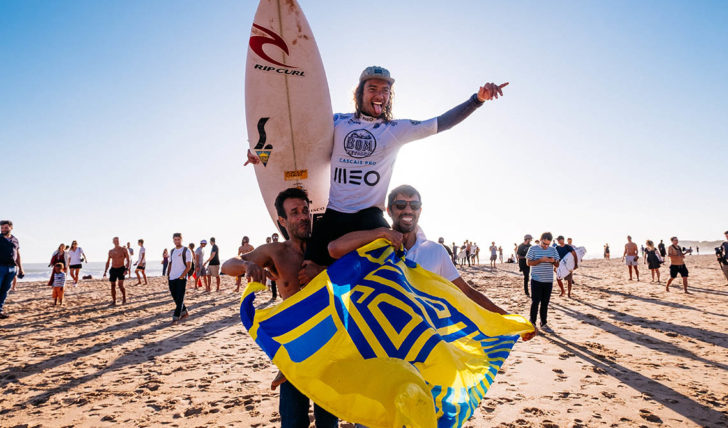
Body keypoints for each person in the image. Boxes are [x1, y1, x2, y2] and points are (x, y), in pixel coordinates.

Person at [248, 67, 508, 278]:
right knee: (305, 275)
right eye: (373, 88)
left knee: (383, 275)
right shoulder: (335, 122)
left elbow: (441, 123)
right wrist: (262, 153)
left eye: (385, 90)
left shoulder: (394, 129)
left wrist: (478, 100)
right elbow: (297, 143)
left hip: (370, 216)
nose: (380, 94)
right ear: (360, 93)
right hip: (334, 213)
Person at [328, 185, 531, 325]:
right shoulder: (375, 245)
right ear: (389, 210)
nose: (408, 210)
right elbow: (334, 249)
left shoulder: (435, 251)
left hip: (423, 342)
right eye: (401, 205)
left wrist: (507, 317)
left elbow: (466, 292)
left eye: (414, 206)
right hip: (379, 341)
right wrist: (380, 233)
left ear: (420, 210)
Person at [221, 188, 338, 428]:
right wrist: (246, 266)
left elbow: (355, 278)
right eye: (294, 212)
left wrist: (323, 272)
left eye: (305, 210)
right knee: (293, 420)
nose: (303, 216)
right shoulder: (275, 252)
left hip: (328, 346)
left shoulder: (328, 248)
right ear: (282, 221)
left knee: (328, 421)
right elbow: (227, 265)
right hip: (294, 349)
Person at [526, 232, 560, 332]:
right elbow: (528, 263)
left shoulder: (553, 250)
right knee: (535, 302)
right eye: (544, 244)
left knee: (545, 303)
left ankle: (543, 323)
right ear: (540, 240)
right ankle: (532, 322)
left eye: (547, 244)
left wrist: (553, 261)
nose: (546, 246)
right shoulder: (533, 249)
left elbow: (557, 264)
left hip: (548, 280)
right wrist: (541, 260)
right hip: (536, 280)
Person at [0, 220, 23, 319]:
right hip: (0, 267)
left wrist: (21, 268)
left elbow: (17, 255)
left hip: (12, 268)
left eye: (5, 228)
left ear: (11, 228)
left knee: (5, 291)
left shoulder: (15, 240)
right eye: (1, 228)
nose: (3, 230)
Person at [168, 233, 192, 323]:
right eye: (175, 239)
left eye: (178, 239)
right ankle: (185, 312)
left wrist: (182, 276)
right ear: (173, 240)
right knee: (176, 298)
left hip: (181, 277)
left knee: (180, 297)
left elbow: (188, 266)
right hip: (172, 277)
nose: (177, 241)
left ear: (181, 239)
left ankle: (176, 317)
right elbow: (170, 263)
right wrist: (168, 274)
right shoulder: (172, 251)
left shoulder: (186, 250)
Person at [103, 237, 130, 305]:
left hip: (121, 268)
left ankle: (124, 298)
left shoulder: (123, 249)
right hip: (113, 269)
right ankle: (114, 301)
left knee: (120, 285)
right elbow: (108, 262)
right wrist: (105, 271)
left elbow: (128, 260)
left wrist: (126, 269)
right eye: (115, 241)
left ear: (119, 241)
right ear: (113, 242)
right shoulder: (111, 251)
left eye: (117, 241)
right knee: (112, 285)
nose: (116, 242)